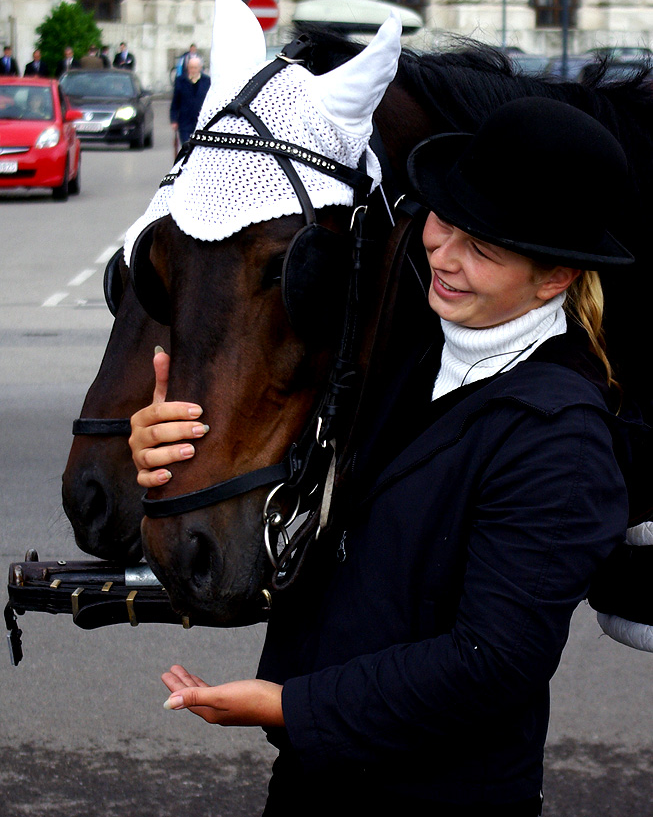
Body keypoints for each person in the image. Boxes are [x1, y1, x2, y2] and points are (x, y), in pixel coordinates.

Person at [130, 97, 648, 816]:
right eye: (444, 221)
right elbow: (283, 488)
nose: (443, 254)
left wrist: (289, 705)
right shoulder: (405, 353)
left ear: (554, 278)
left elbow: (492, 662)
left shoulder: (560, 439)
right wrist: (161, 444)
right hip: (317, 781)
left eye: (484, 249)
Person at [169, 56, 210, 145]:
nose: (193, 70)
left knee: (199, 147)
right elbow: (175, 102)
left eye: (195, 68)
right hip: (185, 122)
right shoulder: (180, 81)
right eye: (191, 67)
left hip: (202, 122)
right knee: (187, 147)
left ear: (200, 68)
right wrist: (174, 120)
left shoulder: (207, 81)